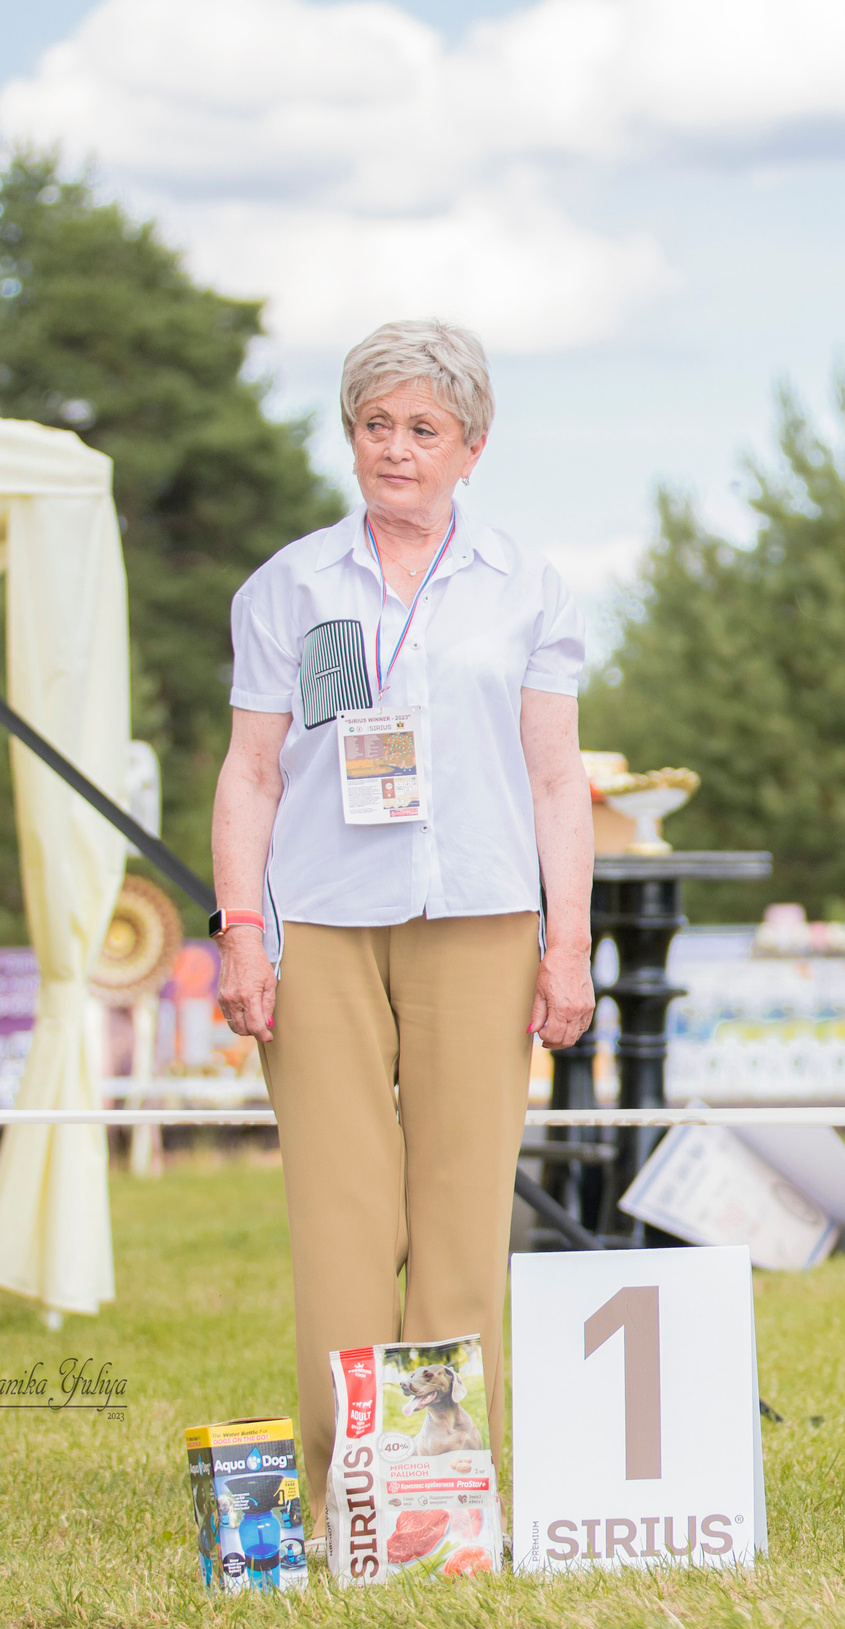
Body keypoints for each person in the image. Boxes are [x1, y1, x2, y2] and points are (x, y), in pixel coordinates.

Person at [209, 318, 596, 1528]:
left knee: (462, 1204)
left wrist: (568, 942)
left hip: (482, 916)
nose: (396, 449)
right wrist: (239, 928)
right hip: (319, 919)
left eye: (423, 429)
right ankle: (337, 1494)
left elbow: (553, 778)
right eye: (375, 424)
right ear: (351, 435)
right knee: (341, 1209)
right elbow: (252, 773)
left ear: (470, 447)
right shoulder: (290, 586)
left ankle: (436, 1491)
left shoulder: (528, 587)